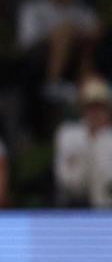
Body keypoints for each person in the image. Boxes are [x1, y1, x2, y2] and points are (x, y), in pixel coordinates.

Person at [54, 76, 112, 207]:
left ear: (108, 108)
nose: (95, 112)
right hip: (74, 206)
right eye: (91, 107)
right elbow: (65, 178)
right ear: (83, 108)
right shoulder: (68, 134)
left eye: (100, 107)